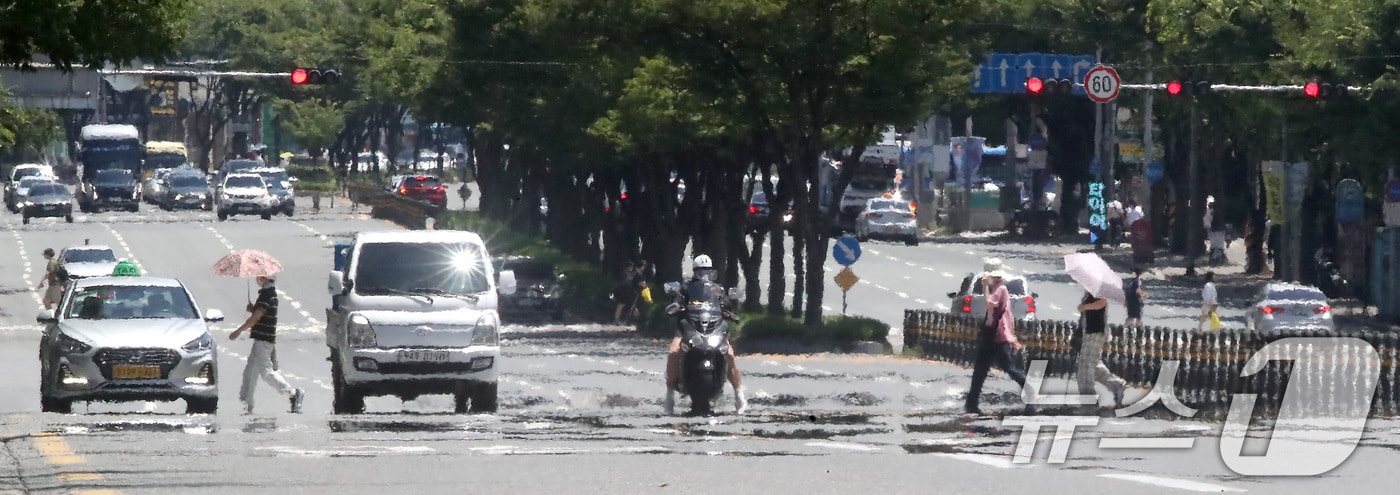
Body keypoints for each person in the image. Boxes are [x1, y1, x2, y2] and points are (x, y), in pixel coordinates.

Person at [663, 255, 746, 415]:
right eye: (701, 270)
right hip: (688, 327)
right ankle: (669, 396)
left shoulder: (717, 289)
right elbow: (677, 299)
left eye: (706, 270)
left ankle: (739, 395)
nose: (704, 273)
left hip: (712, 327)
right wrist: (676, 306)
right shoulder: (686, 287)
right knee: (673, 351)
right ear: (695, 271)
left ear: (712, 271)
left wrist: (729, 311)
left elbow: (725, 303)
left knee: (729, 353)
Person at [229, 274, 304, 414]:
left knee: (266, 372)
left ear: (264, 278)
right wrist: (252, 309)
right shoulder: (270, 294)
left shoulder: (266, 294)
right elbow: (262, 313)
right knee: (250, 373)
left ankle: (293, 392)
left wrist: (238, 331)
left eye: (259, 276)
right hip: (263, 339)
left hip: (263, 340)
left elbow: (255, 319)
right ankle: (247, 404)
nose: (257, 278)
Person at [964, 261, 1027, 415]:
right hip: (989, 335)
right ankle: (971, 403)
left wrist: (985, 287)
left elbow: (988, 304)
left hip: (997, 337)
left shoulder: (1001, 289)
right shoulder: (996, 289)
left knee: (1009, 367)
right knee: (980, 369)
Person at [1077, 291, 1128, 408]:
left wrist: (1085, 307)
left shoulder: (1099, 291)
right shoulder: (1089, 293)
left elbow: (1102, 303)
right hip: (1090, 331)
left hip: (1095, 332)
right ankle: (1117, 385)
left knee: (1086, 366)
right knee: (1093, 365)